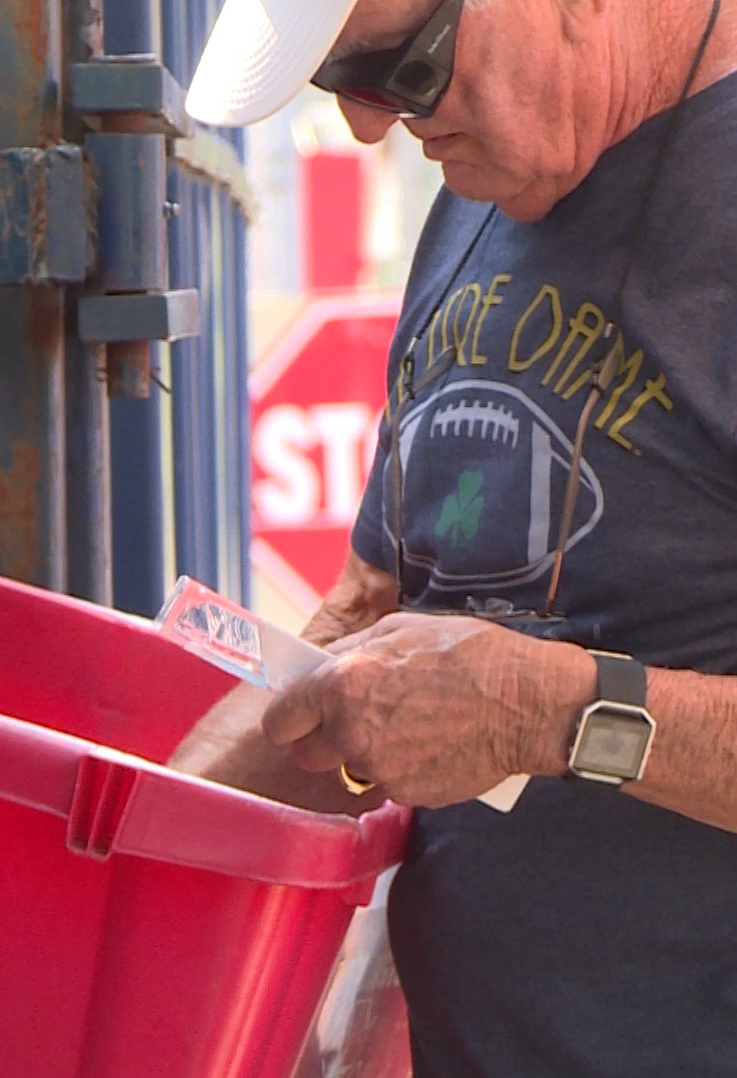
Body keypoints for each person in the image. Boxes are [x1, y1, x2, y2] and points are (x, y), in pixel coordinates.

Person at [170, 0, 737, 1072]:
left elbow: (504, 696)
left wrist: (550, 712)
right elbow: (379, 603)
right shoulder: (487, 191)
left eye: (401, 67)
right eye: (343, 85)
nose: (373, 128)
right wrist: (137, 828)